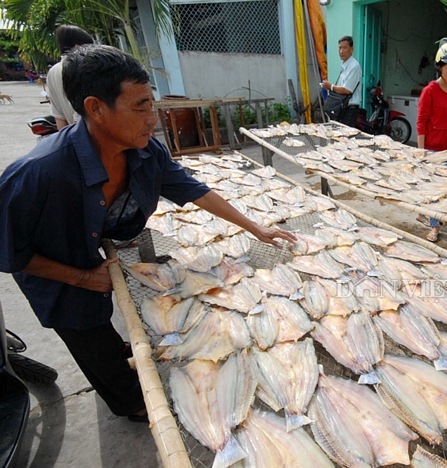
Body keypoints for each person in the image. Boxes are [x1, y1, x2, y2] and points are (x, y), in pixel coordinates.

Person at [0, 45, 296, 423]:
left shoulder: (145, 153)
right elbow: (9, 253)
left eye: (151, 105)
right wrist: (83, 277)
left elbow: (192, 189)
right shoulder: (38, 174)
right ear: (95, 108)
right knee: (90, 337)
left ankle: (118, 350)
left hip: (97, 250)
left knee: (113, 332)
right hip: (56, 274)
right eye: (140, 107)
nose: (152, 120)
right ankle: (130, 403)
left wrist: (255, 227)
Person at [415, 41, 447, 242]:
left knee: (436, 187)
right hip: (430, 149)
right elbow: (421, 122)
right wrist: (421, 152)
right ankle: (434, 228)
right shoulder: (430, 91)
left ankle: (422, 212)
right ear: (440, 67)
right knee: (435, 189)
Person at [47, 25, 94, 130]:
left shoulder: (53, 71)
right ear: (78, 47)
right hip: (91, 134)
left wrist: (68, 142)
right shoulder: (83, 67)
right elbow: (81, 114)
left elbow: (58, 114)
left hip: (74, 134)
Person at [322, 36, 362, 126]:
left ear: (352, 49)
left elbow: (347, 90)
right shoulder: (345, 65)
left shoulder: (354, 66)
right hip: (342, 107)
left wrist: (331, 87)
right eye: (340, 48)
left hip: (350, 109)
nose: (341, 51)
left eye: (345, 48)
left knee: (345, 137)